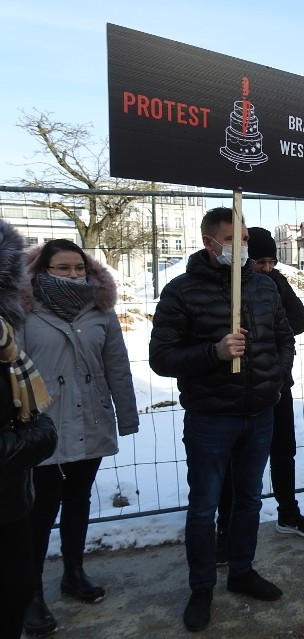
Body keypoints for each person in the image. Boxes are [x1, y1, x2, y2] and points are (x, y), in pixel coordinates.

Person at [150, 208, 295, 632]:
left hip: (259, 412)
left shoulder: (264, 286)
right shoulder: (182, 291)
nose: (242, 247)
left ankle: (242, 570)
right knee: (204, 507)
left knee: (250, 499)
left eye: (246, 239)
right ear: (210, 242)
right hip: (211, 417)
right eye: (233, 239)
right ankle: (201, 588)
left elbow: (284, 336)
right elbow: (162, 357)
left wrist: (276, 378)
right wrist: (213, 352)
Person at [20, 239, 139, 638]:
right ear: (41, 270)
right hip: (43, 427)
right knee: (39, 509)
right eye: (62, 268)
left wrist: (126, 413)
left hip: (89, 419)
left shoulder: (101, 311)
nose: (73, 275)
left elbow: (117, 367)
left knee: (79, 499)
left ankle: (73, 572)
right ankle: (30, 592)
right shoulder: (23, 311)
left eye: (79, 268)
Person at [215, 227, 304, 566]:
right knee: (233, 462)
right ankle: (225, 530)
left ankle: (288, 512)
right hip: (234, 388)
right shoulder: (227, 285)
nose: (268, 267)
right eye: (261, 260)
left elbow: (299, 322)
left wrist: (275, 290)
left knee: (283, 450)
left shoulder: (275, 283)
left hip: (275, 383)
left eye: (272, 260)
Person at [0, 219, 57, 639]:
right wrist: (29, 440)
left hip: (8, 499)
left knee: (13, 592)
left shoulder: (5, 341)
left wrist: (34, 434)